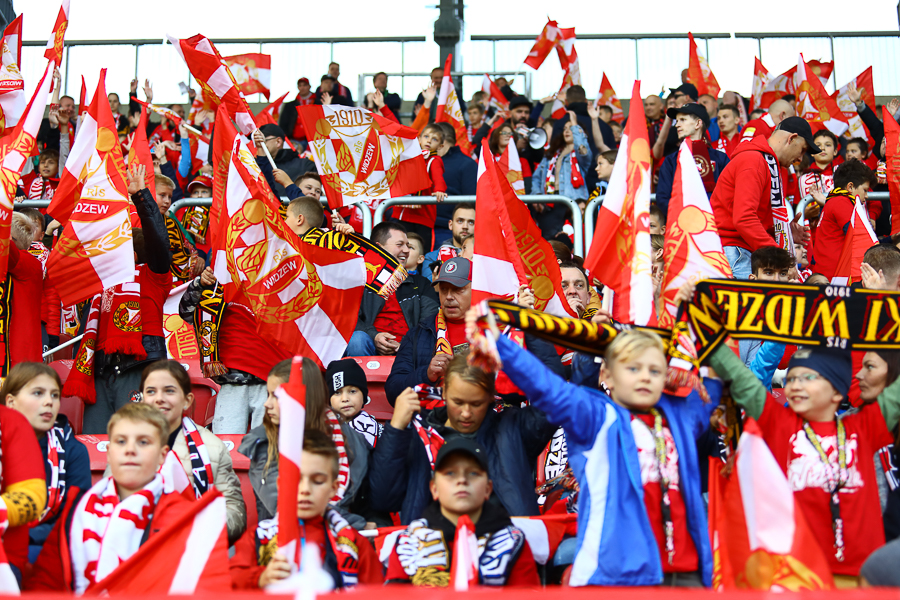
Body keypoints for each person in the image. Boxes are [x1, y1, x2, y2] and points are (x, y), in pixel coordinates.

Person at [482, 315, 721, 587]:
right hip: (620, 575)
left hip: (687, 572)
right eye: (633, 368)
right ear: (607, 374)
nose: (645, 376)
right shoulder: (595, 418)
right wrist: (501, 344)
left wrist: (699, 316)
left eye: (655, 371)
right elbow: (549, 388)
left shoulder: (679, 419)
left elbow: (711, 386)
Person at [703, 307, 900, 584]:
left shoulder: (865, 427)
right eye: (791, 378)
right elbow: (740, 378)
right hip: (798, 574)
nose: (795, 385)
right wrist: (703, 319)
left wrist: (886, 306)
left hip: (861, 575)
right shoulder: (780, 423)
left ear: (837, 391)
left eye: (808, 377)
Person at [28, 403, 230, 593]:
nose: (130, 450)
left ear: (162, 455)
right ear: (108, 453)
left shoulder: (184, 520)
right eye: (121, 441)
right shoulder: (76, 511)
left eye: (143, 442)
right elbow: (45, 583)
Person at [371, 352, 557, 524]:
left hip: (503, 544)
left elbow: (554, 397)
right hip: (432, 550)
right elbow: (383, 499)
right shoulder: (421, 433)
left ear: (491, 397)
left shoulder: (512, 429)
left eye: (476, 403)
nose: (466, 413)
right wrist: (396, 428)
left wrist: (532, 326)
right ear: (444, 393)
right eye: (458, 402)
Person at [237, 359, 374, 532]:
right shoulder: (263, 442)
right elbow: (286, 506)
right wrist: (357, 524)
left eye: (277, 396)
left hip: (341, 546)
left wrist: (375, 526)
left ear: (304, 397)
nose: (267, 404)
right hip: (283, 544)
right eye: (268, 395)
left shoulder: (353, 438)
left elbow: (369, 502)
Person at [384, 437, 540, 586]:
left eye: (473, 473)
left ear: (488, 489)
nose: (462, 480)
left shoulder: (512, 541)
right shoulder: (408, 541)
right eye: (450, 473)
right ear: (434, 488)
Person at [253, 430, 383, 589]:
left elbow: (376, 592)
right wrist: (260, 578)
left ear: (334, 488)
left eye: (318, 481)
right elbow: (232, 583)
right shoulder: (256, 539)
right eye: (296, 479)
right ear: (281, 485)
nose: (305, 489)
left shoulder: (356, 544)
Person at [138, 360, 246, 544]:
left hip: (192, 550)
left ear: (187, 400)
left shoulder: (212, 446)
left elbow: (234, 511)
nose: (159, 398)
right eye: (151, 391)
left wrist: (199, 527)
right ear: (142, 399)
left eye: (169, 391)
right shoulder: (123, 442)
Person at [178, 267, 291, 434]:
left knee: (268, 449)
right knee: (227, 447)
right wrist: (200, 283)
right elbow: (187, 313)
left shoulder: (279, 281)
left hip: (270, 383)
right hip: (232, 384)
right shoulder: (219, 285)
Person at [710, 117, 819, 279]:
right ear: (791, 139)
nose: (800, 159)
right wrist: (779, 258)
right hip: (734, 251)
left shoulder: (764, 161)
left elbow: (750, 217)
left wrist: (782, 232)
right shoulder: (754, 160)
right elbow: (744, 219)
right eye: (802, 150)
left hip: (739, 251)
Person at [2, 363, 90, 563]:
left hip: (47, 545)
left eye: (55, 395)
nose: (49, 402)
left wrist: (26, 538)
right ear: (11, 402)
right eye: (38, 393)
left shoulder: (73, 450)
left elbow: (74, 515)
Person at [346, 222, 438, 358]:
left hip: (411, 352)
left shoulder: (421, 284)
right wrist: (375, 336)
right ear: (379, 248)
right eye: (400, 245)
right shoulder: (359, 282)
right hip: (370, 347)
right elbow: (349, 319)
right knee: (357, 340)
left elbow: (430, 321)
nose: (407, 251)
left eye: (408, 245)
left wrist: (406, 346)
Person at [655, 103, 729, 215]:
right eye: (677, 121)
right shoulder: (671, 160)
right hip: (681, 225)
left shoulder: (720, 159)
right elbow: (662, 198)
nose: (677, 125)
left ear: (698, 123)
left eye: (683, 120)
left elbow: (729, 194)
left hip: (715, 225)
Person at [531, 112, 593, 240]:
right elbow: (537, 177)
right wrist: (537, 196)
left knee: (574, 244)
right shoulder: (552, 154)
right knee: (550, 243)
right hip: (550, 204)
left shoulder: (581, 154)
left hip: (573, 205)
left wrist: (575, 123)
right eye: (565, 128)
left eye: (571, 128)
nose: (567, 131)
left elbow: (584, 148)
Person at [813, 160, 879, 279]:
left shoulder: (834, 200)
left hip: (829, 274)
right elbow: (858, 237)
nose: (867, 196)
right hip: (836, 277)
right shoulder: (842, 202)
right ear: (850, 187)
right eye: (865, 190)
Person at [394, 123, 447, 249]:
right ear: (419, 139)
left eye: (434, 139)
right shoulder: (411, 156)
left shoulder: (434, 160)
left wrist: (439, 189)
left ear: (440, 146)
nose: (429, 140)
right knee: (400, 245)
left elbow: (438, 176)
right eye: (426, 136)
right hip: (404, 210)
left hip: (422, 214)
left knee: (422, 247)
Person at [432, 123, 477, 248]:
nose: (427, 141)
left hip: (448, 231)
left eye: (432, 138)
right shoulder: (425, 162)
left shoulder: (467, 165)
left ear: (442, 140)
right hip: (422, 227)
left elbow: (472, 203)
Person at [326, 359, 382, 447]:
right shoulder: (323, 430)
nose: (345, 399)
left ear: (363, 396)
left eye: (352, 391)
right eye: (337, 392)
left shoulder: (379, 432)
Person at [422, 204, 475, 281]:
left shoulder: (484, 256)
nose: (465, 226)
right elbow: (429, 288)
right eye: (460, 221)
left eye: (471, 222)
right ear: (450, 225)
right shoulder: (432, 257)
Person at [258, 124, 306, 198]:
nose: (260, 144)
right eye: (257, 142)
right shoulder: (255, 165)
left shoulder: (305, 165)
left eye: (263, 140)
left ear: (278, 142)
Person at [799, 129, 840, 200]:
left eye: (827, 145)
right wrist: (806, 211)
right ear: (812, 152)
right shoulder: (803, 179)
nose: (822, 148)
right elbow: (797, 206)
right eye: (818, 145)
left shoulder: (844, 173)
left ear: (835, 151)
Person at [278, 77, 316, 149]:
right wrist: (286, 138)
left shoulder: (317, 103)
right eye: (300, 85)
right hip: (294, 140)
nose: (302, 88)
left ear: (309, 87)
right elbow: (283, 123)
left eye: (304, 85)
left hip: (313, 140)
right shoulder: (290, 105)